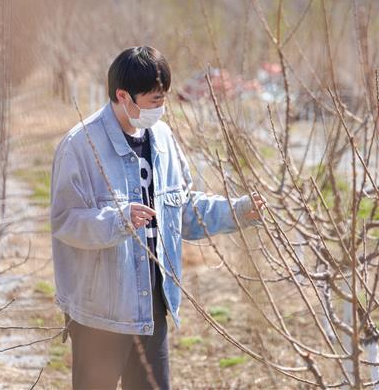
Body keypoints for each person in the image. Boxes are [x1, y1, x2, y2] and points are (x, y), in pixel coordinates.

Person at [49, 46, 265, 389]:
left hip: (152, 305)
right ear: (123, 96)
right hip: (101, 313)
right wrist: (118, 220)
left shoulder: (162, 139)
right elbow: (66, 222)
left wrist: (236, 211)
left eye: (162, 99)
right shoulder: (80, 146)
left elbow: (180, 212)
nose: (160, 108)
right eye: (153, 100)